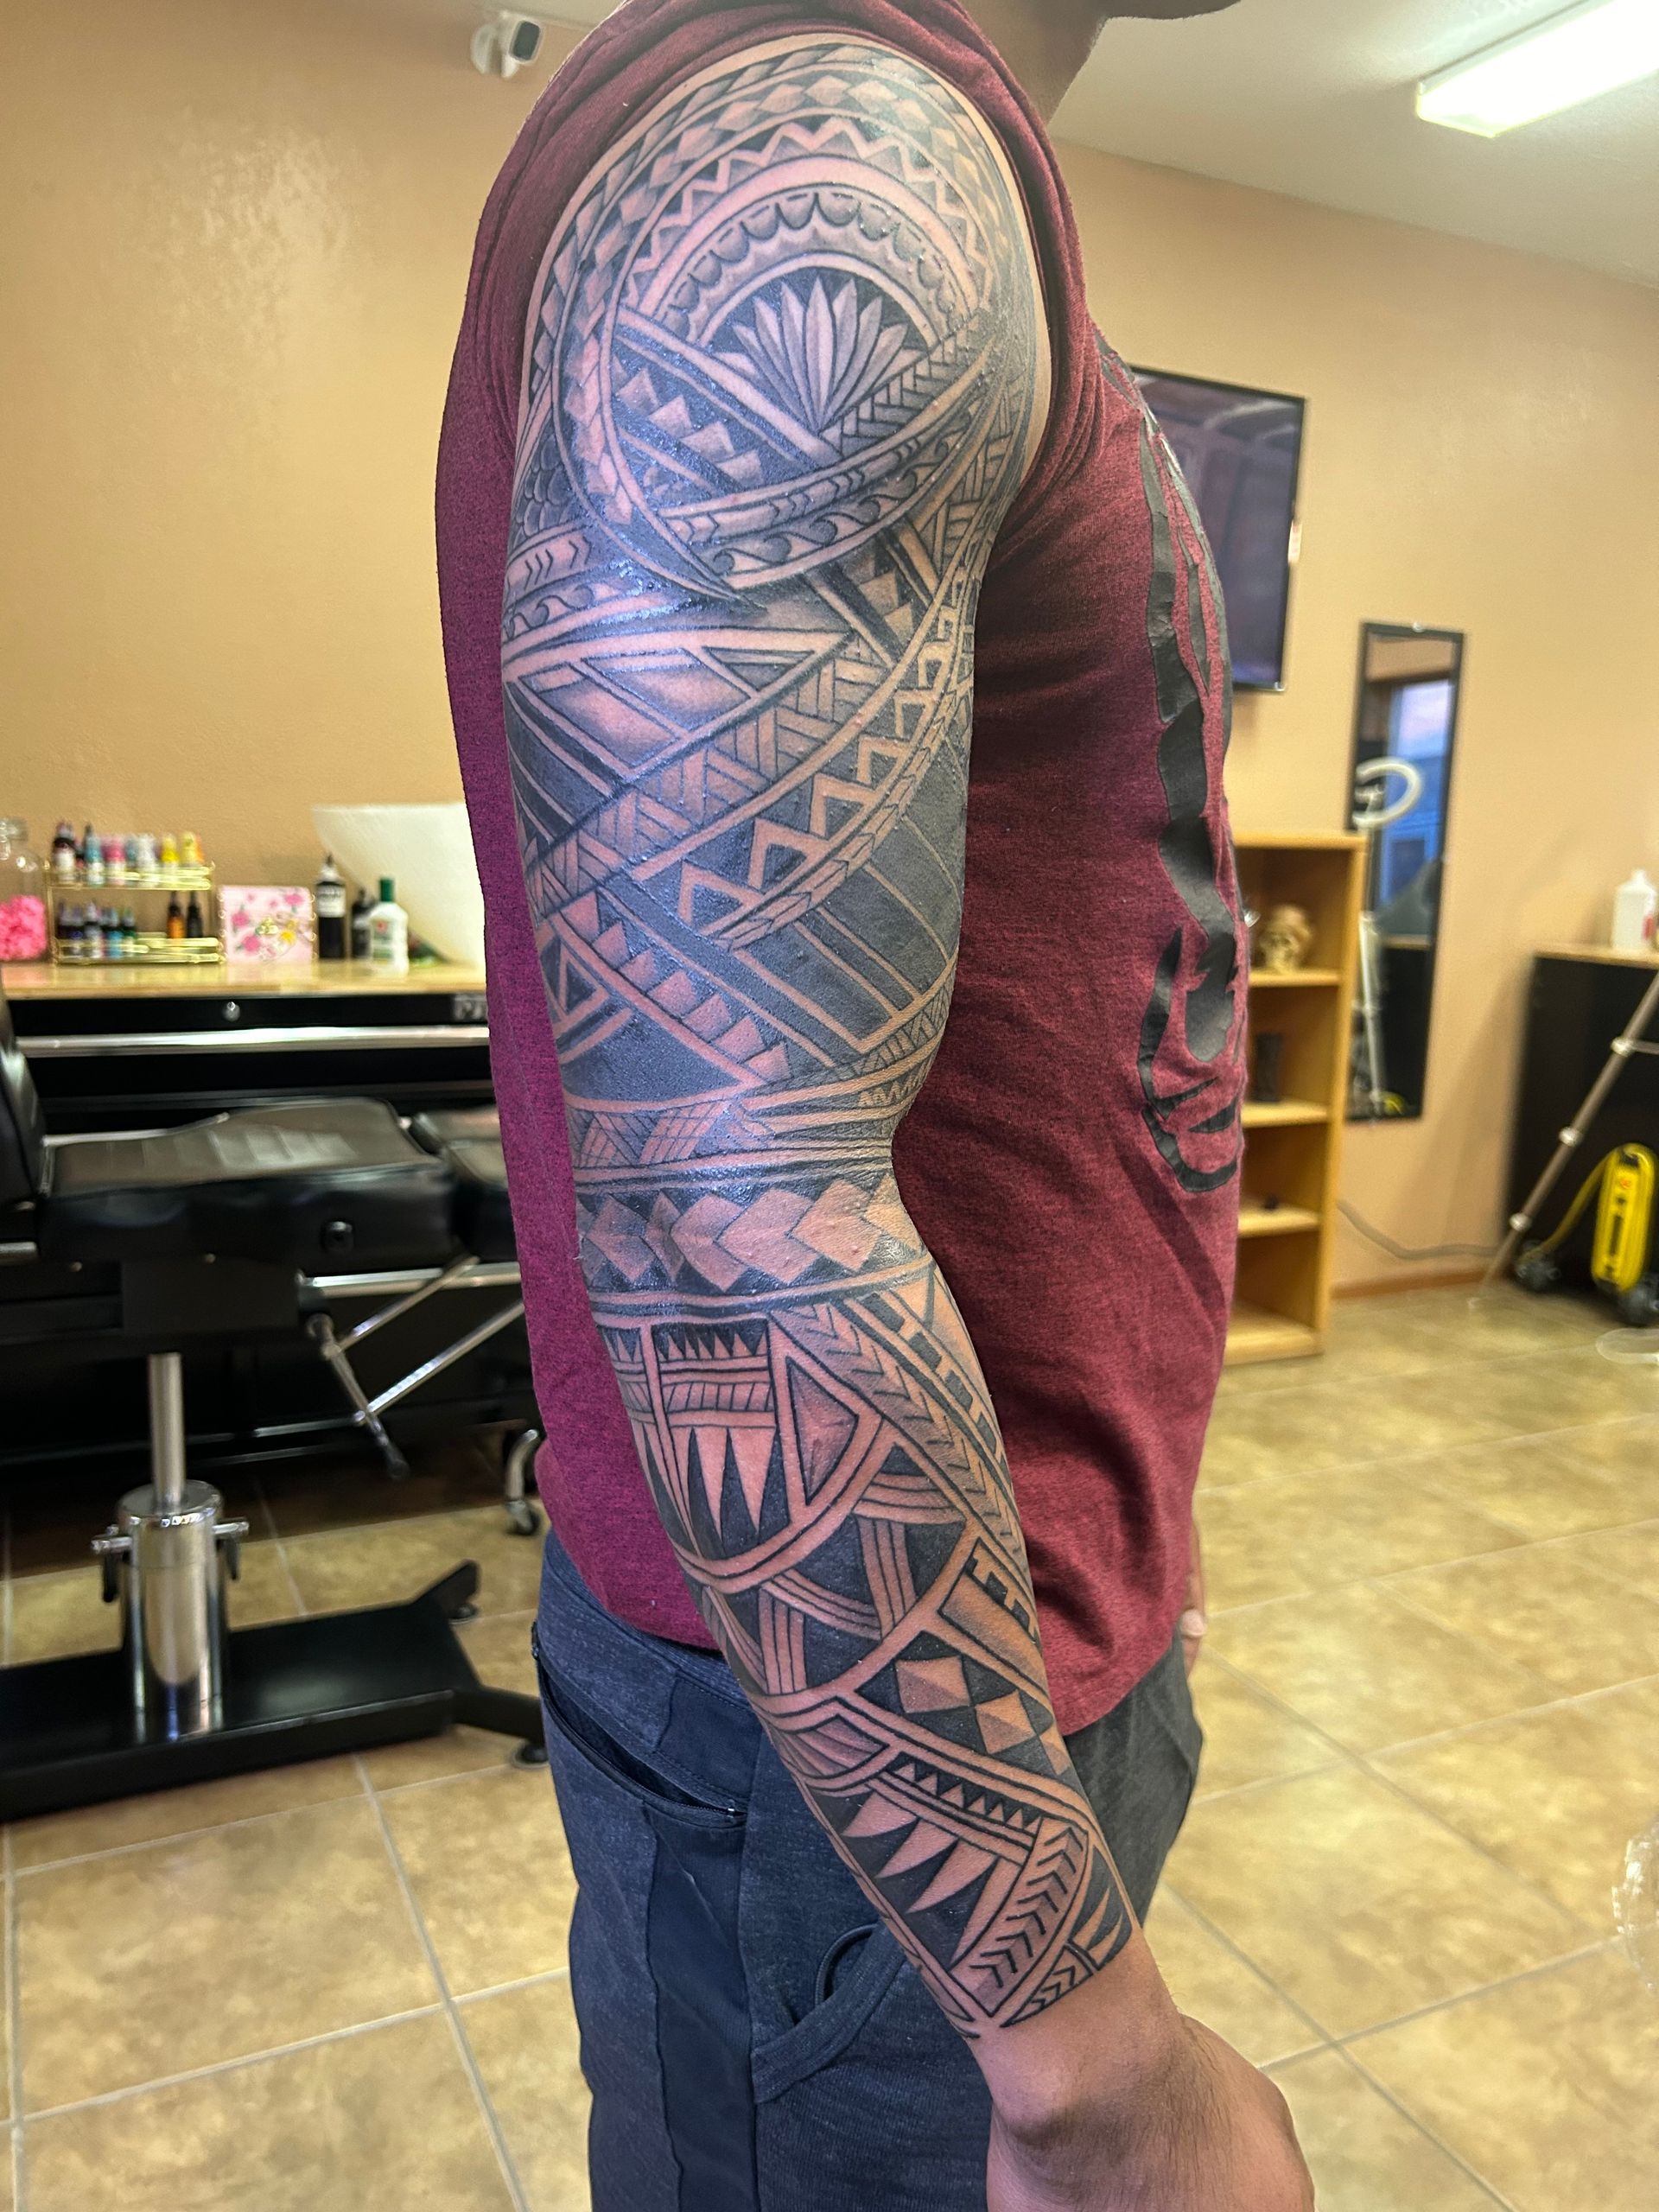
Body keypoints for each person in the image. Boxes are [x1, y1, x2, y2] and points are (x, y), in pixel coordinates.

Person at [437, 2, 1314, 2204]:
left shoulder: (905, 161)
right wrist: (1099, 2072)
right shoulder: (829, 181)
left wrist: (1120, 1527)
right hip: (852, 1790)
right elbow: (731, 1218)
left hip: (955, 1674)